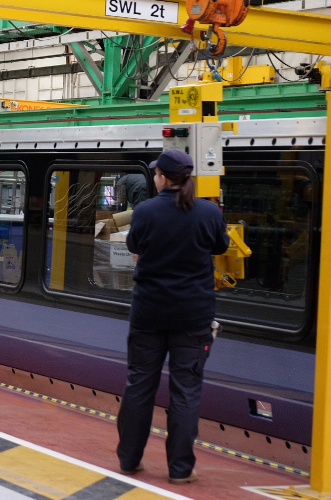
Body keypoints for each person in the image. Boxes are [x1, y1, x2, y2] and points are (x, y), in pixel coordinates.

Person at [116, 149, 229, 484]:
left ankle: (129, 460)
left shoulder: (146, 211)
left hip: (149, 314)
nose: (154, 178)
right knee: (186, 392)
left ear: (163, 178)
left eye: (156, 174)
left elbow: (133, 244)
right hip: (193, 318)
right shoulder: (208, 212)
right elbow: (221, 247)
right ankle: (180, 470)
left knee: (139, 386)